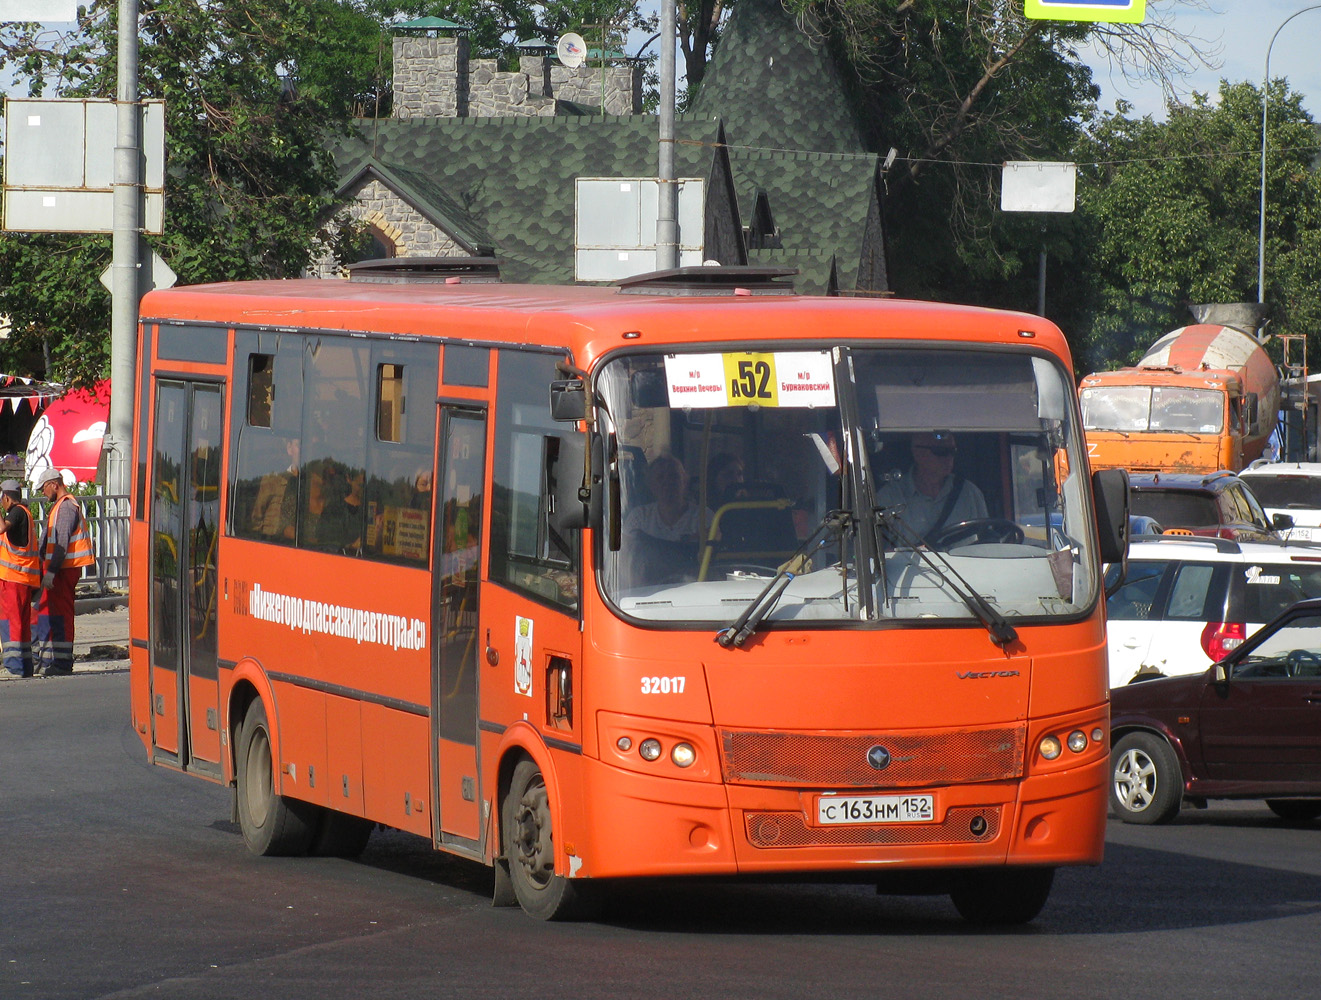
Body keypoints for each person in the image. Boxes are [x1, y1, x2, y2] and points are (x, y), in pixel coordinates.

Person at [32, 468, 95, 676]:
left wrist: (50, 572)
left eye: (44, 488)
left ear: (54, 484)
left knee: (61, 616)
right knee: (55, 614)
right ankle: (56, 661)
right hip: (60, 569)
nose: (43, 493)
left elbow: (61, 543)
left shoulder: (66, 507)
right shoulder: (61, 506)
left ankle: (62, 663)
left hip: (63, 570)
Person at [875, 431, 988, 545]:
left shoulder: (970, 493)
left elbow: (985, 541)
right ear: (918, 453)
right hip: (912, 563)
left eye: (952, 452)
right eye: (941, 452)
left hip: (964, 563)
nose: (949, 458)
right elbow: (880, 552)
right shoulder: (889, 497)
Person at [622, 454, 709, 585]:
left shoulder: (704, 517)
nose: (667, 482)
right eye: (660, 478)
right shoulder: (639, 518)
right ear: (650, 484)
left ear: (685, 481)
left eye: (674, 476)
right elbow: (626, 561)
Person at [0, 479, 39, 677]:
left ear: (6, 497)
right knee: (22, 625)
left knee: (11, 623)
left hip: (13, 579)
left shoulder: (16, 512)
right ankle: (25, 666)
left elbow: (1, 529)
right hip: (22, 579)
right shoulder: (26, 513)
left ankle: (14, 666)